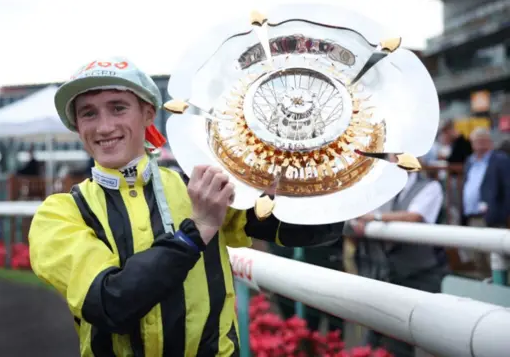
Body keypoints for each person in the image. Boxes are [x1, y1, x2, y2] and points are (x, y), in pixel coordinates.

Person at [28, 57, 344, 357]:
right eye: (89, 113)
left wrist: (310, 163)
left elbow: (308, 231)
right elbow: (111, 304)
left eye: (118, 108)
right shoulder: (59, 213)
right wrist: (196, 231)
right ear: (76, 126)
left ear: (148, 114)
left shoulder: (198, 182)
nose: (104, 126)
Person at [345, 161, 448, 357]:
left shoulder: (430, 187)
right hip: (377, 273)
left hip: (416, 275)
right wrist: (356, 222)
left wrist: (374, 218)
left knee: (406, 338)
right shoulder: (378, 187)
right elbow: (354, 217)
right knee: (373, 334)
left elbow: (415, 217)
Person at [461, 127, 510, 275]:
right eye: (477, 141)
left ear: (490, 142)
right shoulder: (470, 161)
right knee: (477, 258)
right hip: (472, 216)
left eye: (483, 140)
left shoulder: (500, 159)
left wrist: (501, 214)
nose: (480, 144)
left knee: (496, 261)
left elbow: (508, 188)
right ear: (472, 143)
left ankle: (501, 294)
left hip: (492, 218)